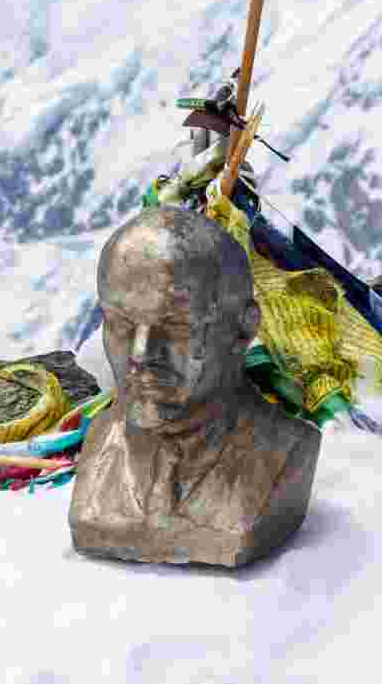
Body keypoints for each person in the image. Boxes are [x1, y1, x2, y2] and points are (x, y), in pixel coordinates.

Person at [69, 207, 322, 567]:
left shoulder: (285, 450)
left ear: (243, 329)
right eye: (122, 325)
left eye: (175, 327)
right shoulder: (102, 443)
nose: (140, 356)